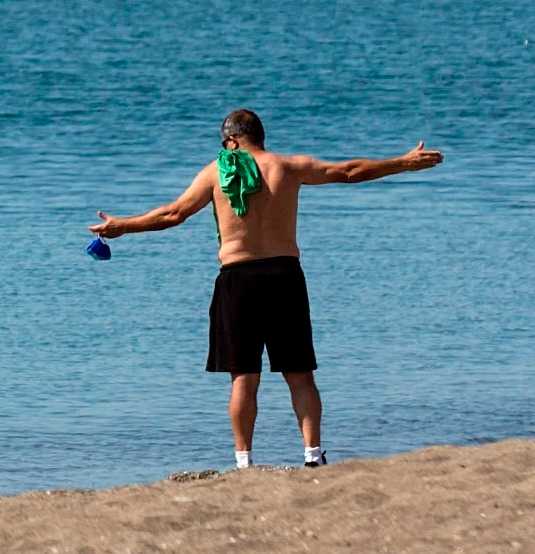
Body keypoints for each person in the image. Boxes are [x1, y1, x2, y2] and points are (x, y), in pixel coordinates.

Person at [91, 109, 442, 469]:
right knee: (300, 373)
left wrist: (124, 227)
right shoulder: (288, 167)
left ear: (231, 141)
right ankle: (313, 455)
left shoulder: (215, 173)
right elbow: (348, 172)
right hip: (284, 276)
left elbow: (173, 214)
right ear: (260, 137)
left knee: (244, 376)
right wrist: (403, 163)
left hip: (238, 279)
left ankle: (244, 462)